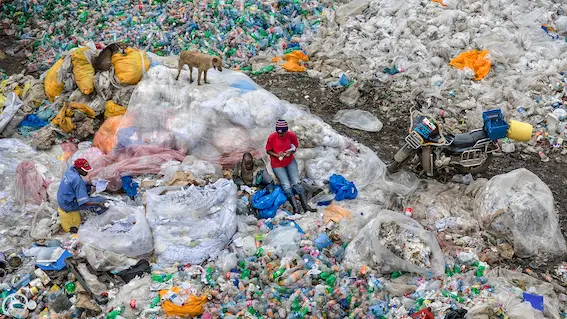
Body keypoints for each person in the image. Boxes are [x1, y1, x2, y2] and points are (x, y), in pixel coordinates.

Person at [266, 119, 316, 214]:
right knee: (286, 185)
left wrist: (290, 152)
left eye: (282, 133)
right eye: (278, 132)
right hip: (277, 164)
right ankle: (295, 208)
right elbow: (268, 150)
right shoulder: (272, 137)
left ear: (286, 131)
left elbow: (294, 147)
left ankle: (305, 205)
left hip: (289, 161)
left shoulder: (291, 135)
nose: (280, 134)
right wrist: (277, 155)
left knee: (296, 182)